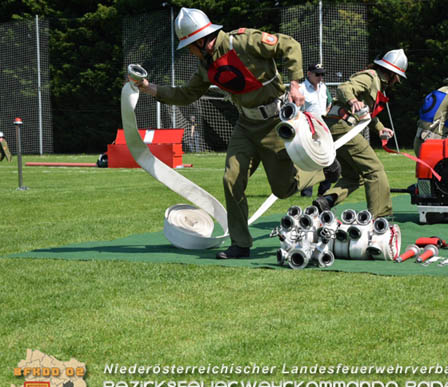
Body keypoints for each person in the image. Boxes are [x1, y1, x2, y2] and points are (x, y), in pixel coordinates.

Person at [130, 7, 338, 259]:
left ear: (201, 41)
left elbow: (290, 45)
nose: (189, 51)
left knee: (284, 190)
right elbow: (186, 94)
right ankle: (240, 243)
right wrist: (148, 88)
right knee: (231, 181)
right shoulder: (206, 67)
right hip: (245, 127)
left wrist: (295, 82)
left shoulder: (242, 41)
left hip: (274, 122)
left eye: (190, 46)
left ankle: (322, 168)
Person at [312, 49, 408, 219]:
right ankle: (380, 218)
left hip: (336, 128)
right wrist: (352, 100)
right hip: (342, 128)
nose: (398, 81)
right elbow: (344, 88)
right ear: (392, 74)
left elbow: (366, 114)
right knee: (375, 170)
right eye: (398, 77)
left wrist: (380, 129)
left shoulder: (377, 83)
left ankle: (326, 200)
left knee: (354, 177)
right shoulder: (370, 77)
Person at [299, 63, 333, 197]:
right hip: (307, 128)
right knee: (310, 160)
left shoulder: (323, 87)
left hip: (323, 127)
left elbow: (330, 102)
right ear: (309, 74)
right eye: (317, 74)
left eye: (322, 74)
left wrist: (325, 113)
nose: (320, 77)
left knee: (329, 158)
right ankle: (306, 192)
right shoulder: (301, 88)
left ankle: (324, 190)